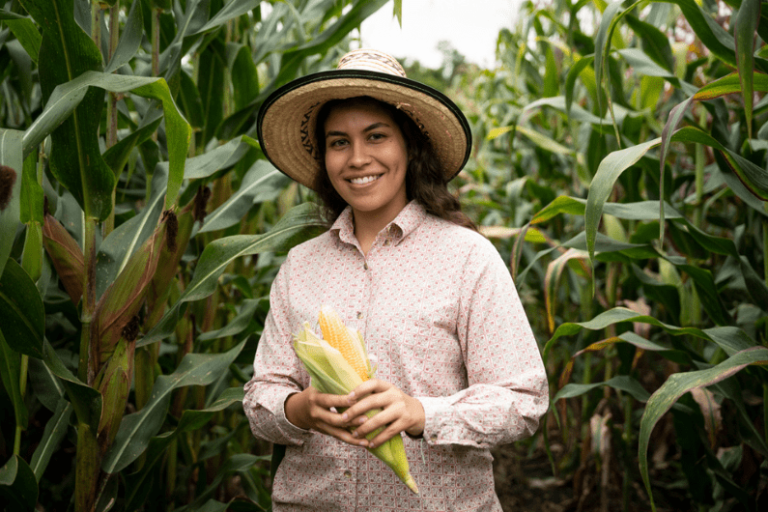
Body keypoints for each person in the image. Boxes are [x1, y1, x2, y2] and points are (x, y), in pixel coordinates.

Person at [244, 49, 548, 512]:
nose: (357, 158)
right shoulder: (300, 265)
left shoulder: (467, 258)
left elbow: (523, 401)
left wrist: (423, 412)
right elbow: (260, 399)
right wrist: (301, 409)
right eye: (338, 141)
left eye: (376, 136)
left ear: (410, 145)